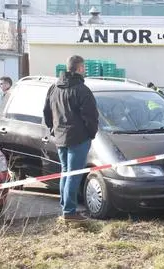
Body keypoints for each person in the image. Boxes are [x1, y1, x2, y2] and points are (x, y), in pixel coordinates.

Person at [43, 55, 99, 222]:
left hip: (60, 137)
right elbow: (91, 116)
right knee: (73, 174)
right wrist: (91, 134)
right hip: (78, 138)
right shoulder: (82, 90)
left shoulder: (54, 88)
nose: (85, 71)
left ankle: (66, 207)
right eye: (84, 68)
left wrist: (53, 129)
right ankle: (69, 211)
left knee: (66, 172)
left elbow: (47, 111)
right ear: (80, 69)